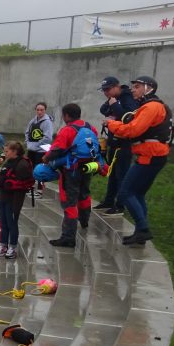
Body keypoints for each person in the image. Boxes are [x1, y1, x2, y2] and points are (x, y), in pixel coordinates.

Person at [106, 75, 173, 246]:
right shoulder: (153, 106)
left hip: (150, 156)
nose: (133, 89)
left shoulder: (151, 107)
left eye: (136, 86)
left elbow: (133, 130)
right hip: (153, 155)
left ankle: (143, 229)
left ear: (148, 88)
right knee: (138, 193)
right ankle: (140, 231)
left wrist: (112, 125)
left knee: (125, 192)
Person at [44, 103, 105, 248]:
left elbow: (57, 150)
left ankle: (68, 237)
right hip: (88, 167)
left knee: (69, 201)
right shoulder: (91, 127)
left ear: (66, 116)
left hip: (71, 169)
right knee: (84, 193)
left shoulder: (67, 130)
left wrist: (46, 158)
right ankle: (84, 220)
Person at [95, 76, 141, 214]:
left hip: (124, 143)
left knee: (122, 175)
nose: (106, 93)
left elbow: (128, 117)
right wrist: (112, 106)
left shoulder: (128, 97)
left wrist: (115, 106)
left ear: (117, 86)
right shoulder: (114, 98)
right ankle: (109, 201)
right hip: (114, 141)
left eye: (108, 89)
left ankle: (120, 205)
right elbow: (103, 109)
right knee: (113, 173)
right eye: (104, 90)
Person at [0, 141, 34, 259]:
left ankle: (13, 247)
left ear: (14, 151)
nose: (4, 153)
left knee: (12, 223)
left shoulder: (23, 164)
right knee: (3, 223)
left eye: (7, 151)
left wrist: (10, 184)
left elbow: (27, 183)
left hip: (14, 199)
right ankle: (3, 245)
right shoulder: (8, 162)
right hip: (3, 196)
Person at [23, 102, 54, 198]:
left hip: (41, 150)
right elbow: (27, 132)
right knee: (30, 168)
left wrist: (36, 145)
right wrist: (28, 143)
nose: (39, 112)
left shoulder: (47, 122)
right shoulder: (33, 121)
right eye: (38, 110)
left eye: (42, 110)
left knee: (40, 170)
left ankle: (40, 190)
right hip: (31, 149)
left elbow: (48, 138)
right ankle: (30, 186)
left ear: (45, 110)